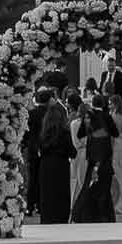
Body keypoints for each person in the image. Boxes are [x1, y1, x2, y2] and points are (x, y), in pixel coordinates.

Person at [72, 100, 115, 222]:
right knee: (96, 188)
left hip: (91, 158)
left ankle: (85, 212)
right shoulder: (102, 129)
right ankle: (98, 214)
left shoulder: (91, 129)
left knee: (87, 185)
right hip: (98, 160)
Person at [38, 92, 76, 223]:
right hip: (61, 165)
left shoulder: (43, 134)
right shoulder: (64, 133)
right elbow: (72, 152)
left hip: (46, 165)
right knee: (61, 195)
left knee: (47, 195)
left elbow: (40, 149)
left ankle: (47, 219)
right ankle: (61, 220)